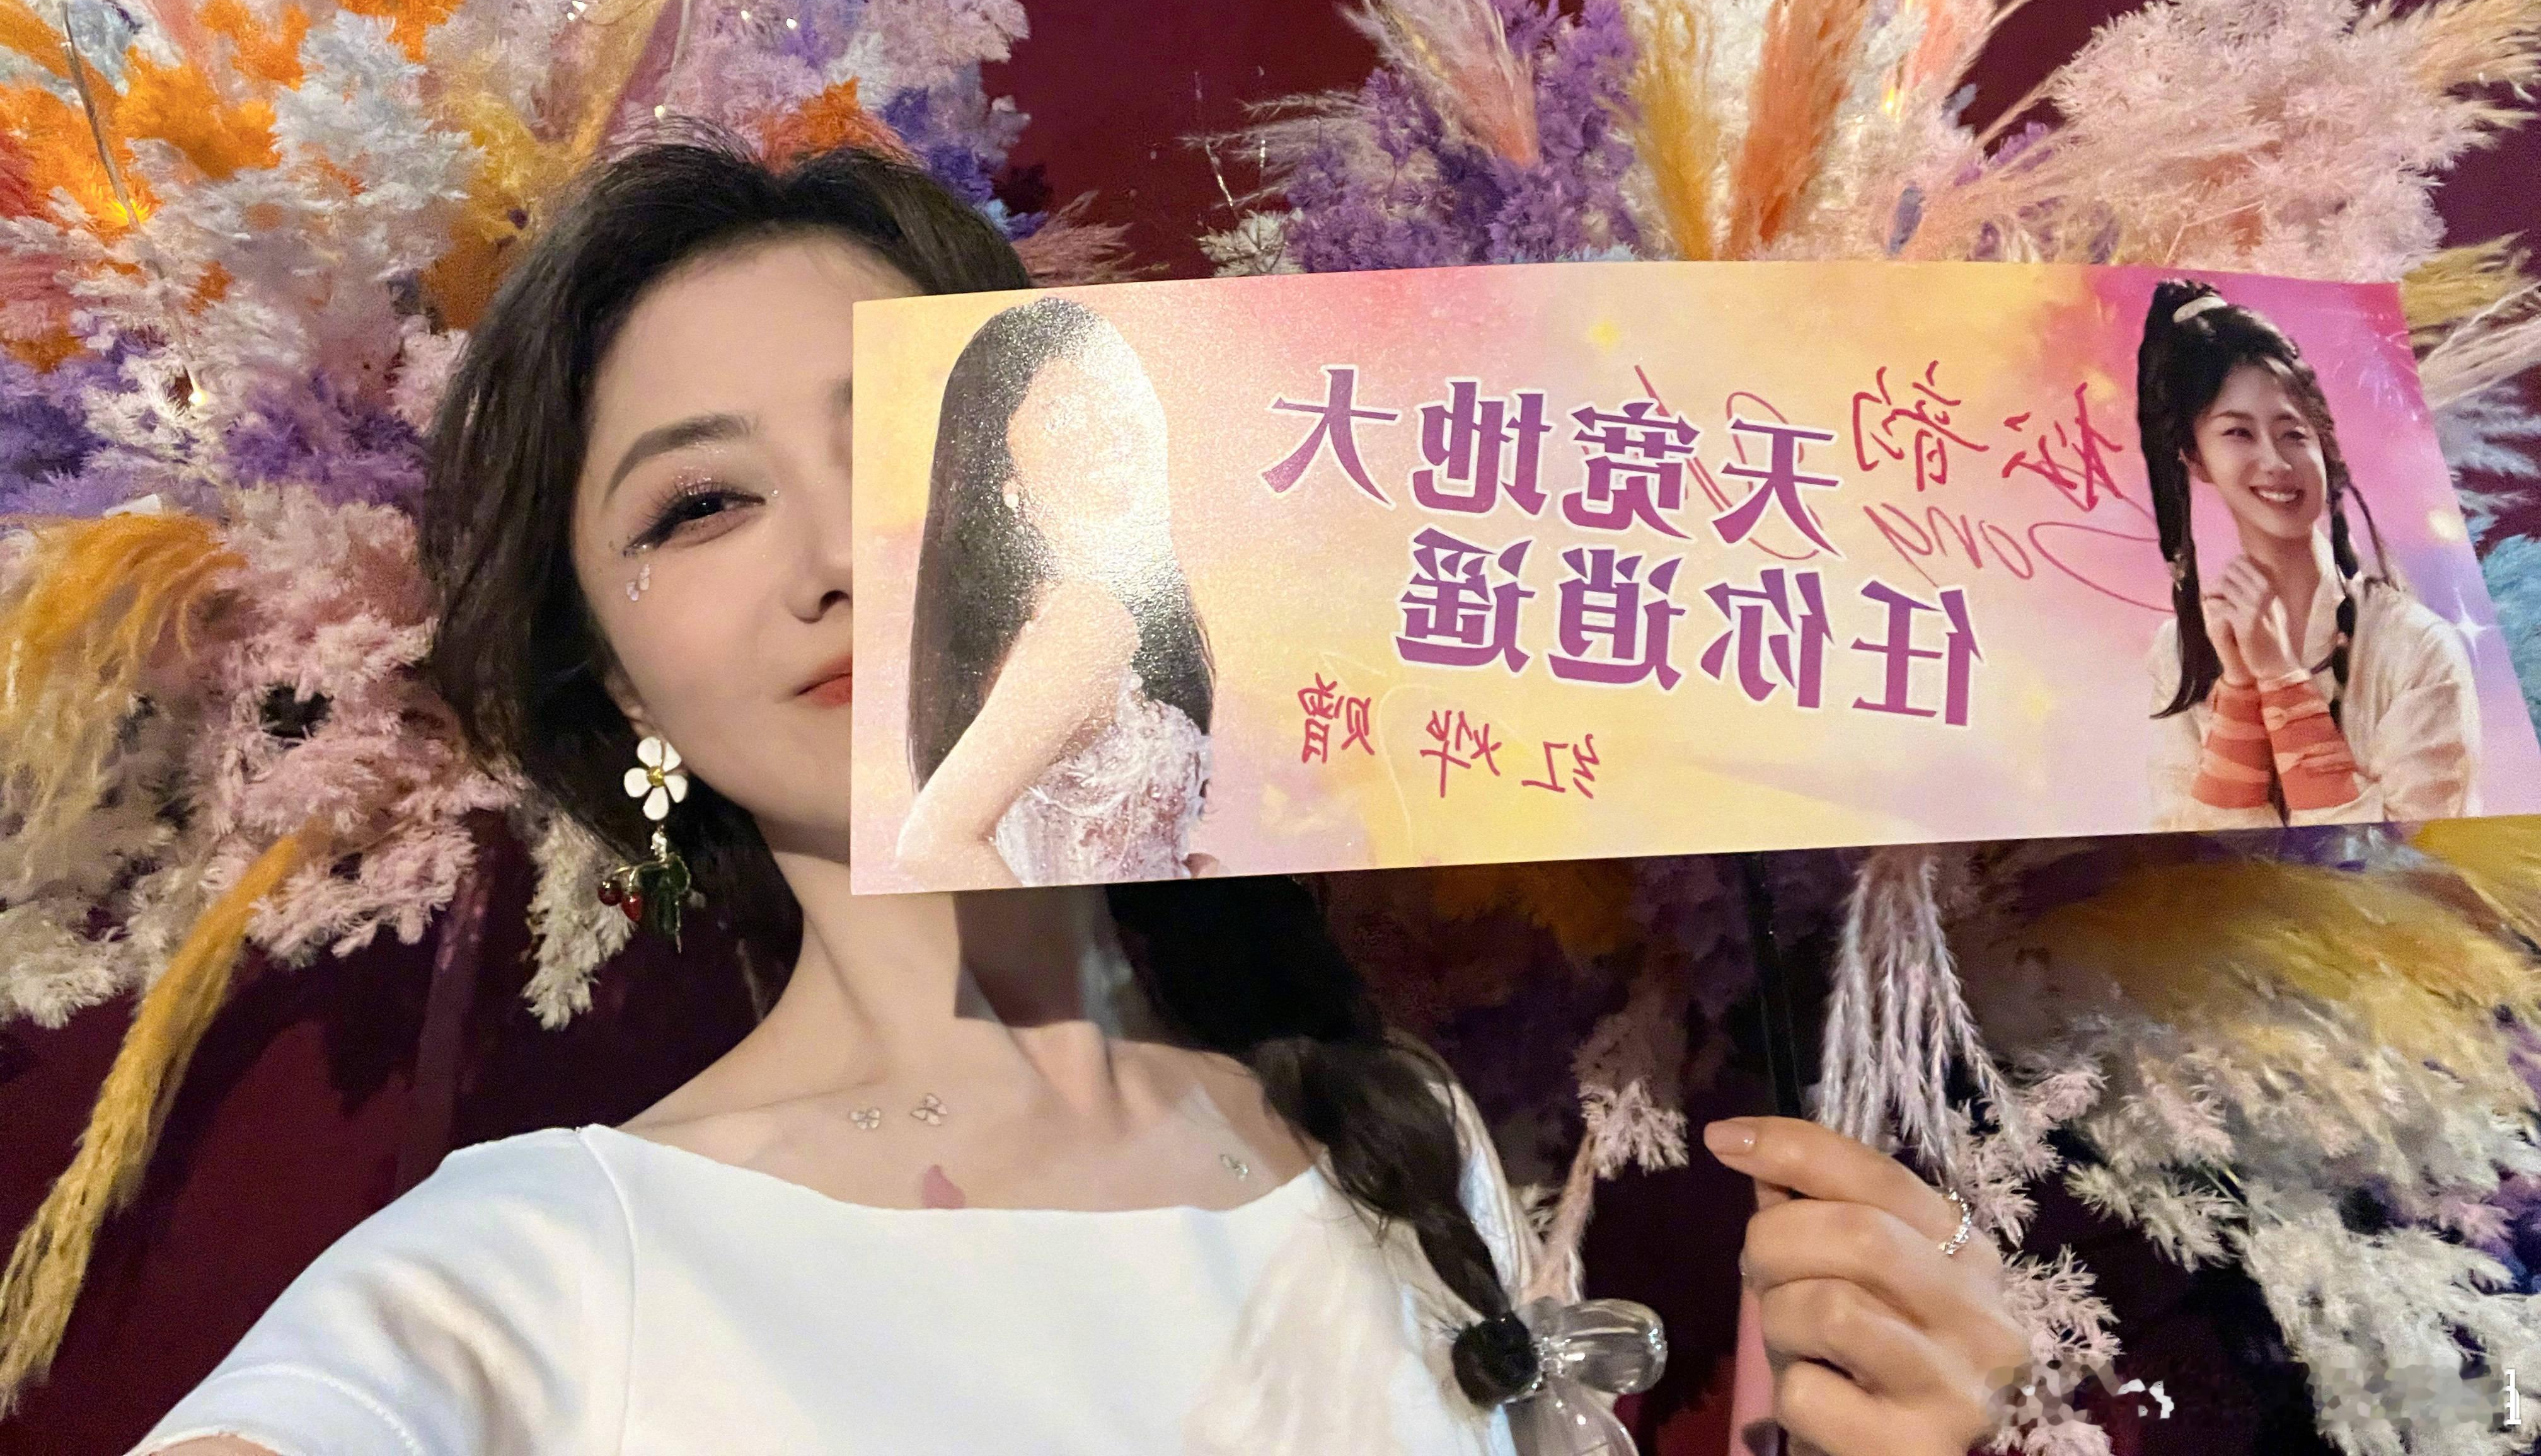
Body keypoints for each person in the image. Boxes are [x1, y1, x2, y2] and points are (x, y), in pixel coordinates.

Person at [134, 137, 2024, 1455]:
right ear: (621, 682)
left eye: (902, 441)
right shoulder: (543, 1268)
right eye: (701, 505)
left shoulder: (1398, 1147)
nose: (841, 560)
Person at [2135, 278, 2482, 831]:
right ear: (2195, 460)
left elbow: (2413, 857)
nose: (2276, 462)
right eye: (2238, 433)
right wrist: (2240, 691)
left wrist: (2281, 678)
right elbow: (2191, 854)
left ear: (2323, 444)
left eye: (2293, 434)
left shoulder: (2418, 648)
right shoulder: (2179, 653)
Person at [898, 297, 1215, 888]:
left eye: (1116, 396)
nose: (1110, 430)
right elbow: (932, 844)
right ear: (1000, 468)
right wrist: (1061, 944)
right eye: (1064, 411)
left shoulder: (1043, 616)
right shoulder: (1086, 622)